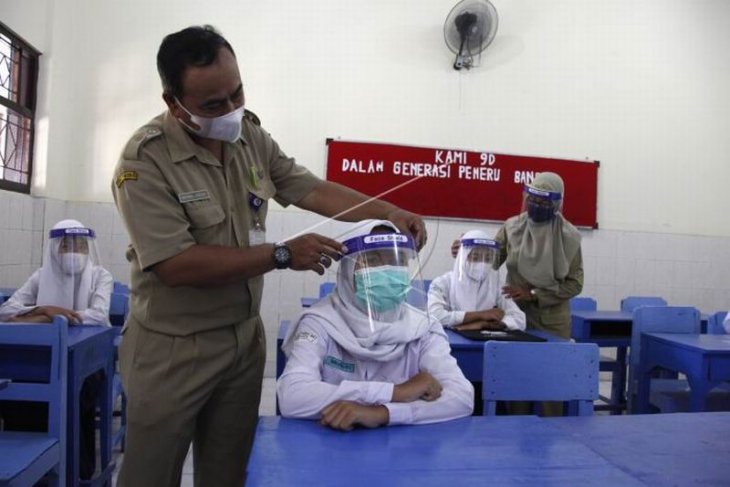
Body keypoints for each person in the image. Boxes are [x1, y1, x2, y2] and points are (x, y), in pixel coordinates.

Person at [111, 26, 426, 487]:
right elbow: (175, 265)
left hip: (241, 342)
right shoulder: (144, 163)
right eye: (213, 105)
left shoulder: (249, 137)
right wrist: (279, 255)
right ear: (173, 102)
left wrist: (390, 211)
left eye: (237, 93)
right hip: (172, 348)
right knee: (150, 476)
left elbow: (310, 188)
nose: (231, 110)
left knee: (228, 472)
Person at [277, 220, 473, 429]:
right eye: (372, 259)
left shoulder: (423, 327)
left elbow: (462, 397)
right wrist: (396, 392)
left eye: (395, 260)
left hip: (403, 451)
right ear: (347, 266)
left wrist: (383, 413)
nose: (387, 270)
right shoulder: (321, 322)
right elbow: (292, 396)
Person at [0, 218, 112, 480]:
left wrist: (50, 317)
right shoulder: (42, 275)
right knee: (21, 398)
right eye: (66, 246)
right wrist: (42, 310)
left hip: (88, 360)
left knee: (75, 394)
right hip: (43, 361)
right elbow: (7, 310)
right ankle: (37, 464)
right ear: (54, 249)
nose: (74, 252)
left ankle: (76, 466)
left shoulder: (99, 276)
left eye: (81, 246)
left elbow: (98, 315)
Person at [428, 230, 525, 332]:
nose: (482, 264)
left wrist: (484, 324)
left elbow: (519, 318)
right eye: (475, 257)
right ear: (463, 257)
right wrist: (482, 315)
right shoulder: (441, 283)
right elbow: (434, 316)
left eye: (488, 258)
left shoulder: (496, 283)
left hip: (486, 341)